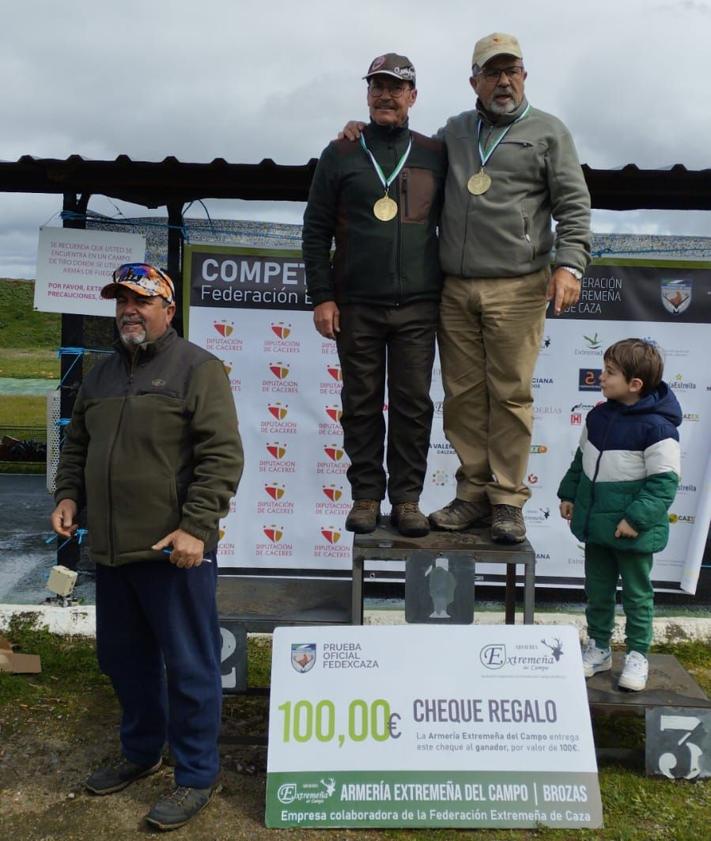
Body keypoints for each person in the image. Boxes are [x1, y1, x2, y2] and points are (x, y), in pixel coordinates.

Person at [341, 33, 591, 543]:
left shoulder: (548, 132)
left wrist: (570, 266)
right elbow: (401, 148)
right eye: (492, 72)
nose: (503, 81)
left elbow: (574, 206)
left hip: (519, 286)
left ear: (524, 75)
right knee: (463, 399)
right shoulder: (453, 132)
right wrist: (359, 132)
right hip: (454, 288)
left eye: (512, 71)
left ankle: (506, 500)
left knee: (511, 396)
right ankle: (472, 494)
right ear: (473, 80)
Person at [50, 263, 243, 830]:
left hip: (172, 551)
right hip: (111, 551)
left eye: (141, 300)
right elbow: (78, 445)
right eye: (121, 302)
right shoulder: (101, 374)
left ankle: (197, 774)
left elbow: (221, 457)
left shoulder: (199, 369)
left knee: (190, 667)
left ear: (168, 308)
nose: (128, 310)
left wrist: (196, 528)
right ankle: (141, 753)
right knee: (123, 661)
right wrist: (68, 496)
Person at [302, 53, 446, 537]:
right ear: (367, 94)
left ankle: (407, 499)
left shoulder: (434, 153)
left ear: (412, 96)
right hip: (357, 304)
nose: (386, 95)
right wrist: (322, 295)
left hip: (419, 304)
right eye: (377, 87)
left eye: (396, 87)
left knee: (413, 405)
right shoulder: (340, 153)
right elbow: (316, 228)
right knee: (360, 402)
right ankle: (366, 494)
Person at [558, 339, 681, 691]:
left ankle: (637, 655)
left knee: (637, 596)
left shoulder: (659, 429)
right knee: (597, 591)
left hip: (633, 532)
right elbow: (581, 460)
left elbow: (664, 484)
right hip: (597, 528)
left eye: (609, 372)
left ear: (634, 384)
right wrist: (569, 493)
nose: (601, 377)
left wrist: (635, 520)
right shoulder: (597, 416)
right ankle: (598, 648)